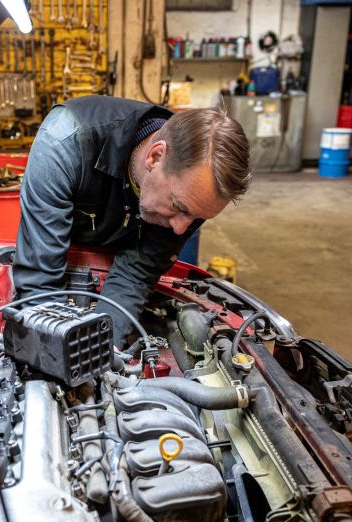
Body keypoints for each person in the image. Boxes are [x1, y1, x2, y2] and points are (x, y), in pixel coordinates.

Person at [13, 96, 251, 347]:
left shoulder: (191, 192)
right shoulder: (65, 140)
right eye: (179, 208)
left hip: (116, 274)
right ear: (155, 156)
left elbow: (135, 274)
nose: (181, 228)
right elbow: (41, 287)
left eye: (197, 218)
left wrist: (101, 351)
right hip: (57, 259)